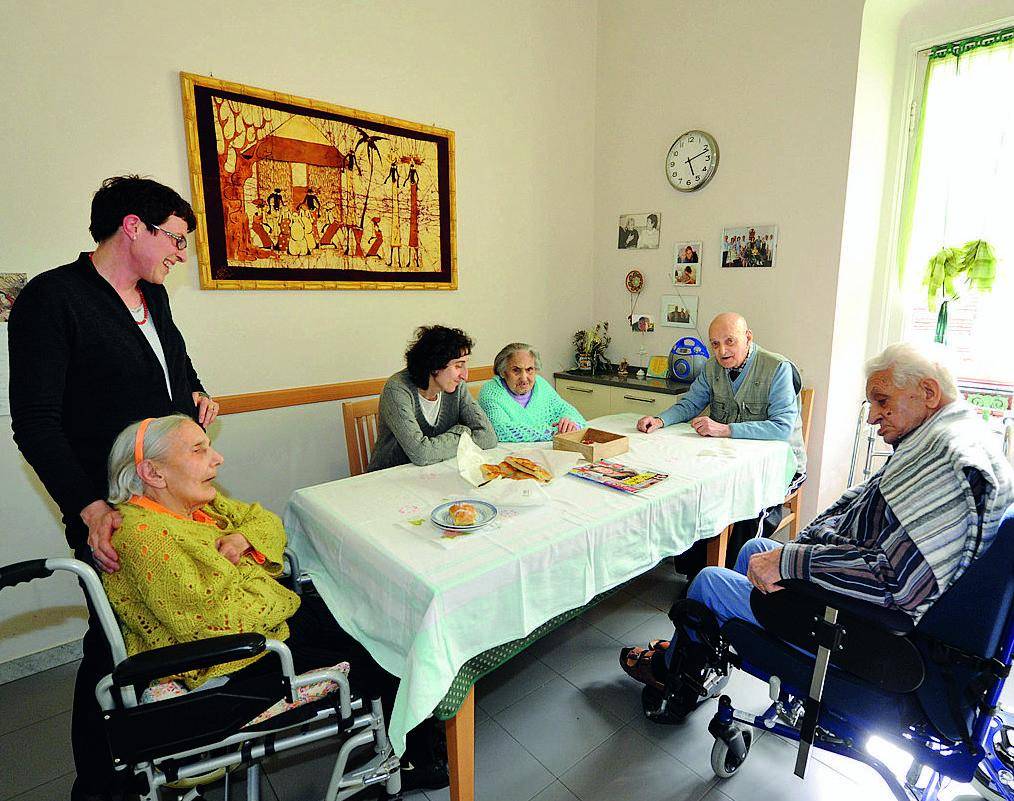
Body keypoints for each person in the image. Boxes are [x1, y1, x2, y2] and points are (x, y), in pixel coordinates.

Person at [620, 342, 1013, 722]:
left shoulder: (947, 464)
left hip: (866, 632)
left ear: (928, 392)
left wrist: (793, 559)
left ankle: (675, 680)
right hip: (862, 600)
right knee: (754, 549)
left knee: (708, 581)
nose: (873, 416)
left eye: (882, 400)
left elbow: (893, 583)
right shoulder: (949, 438)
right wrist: (800, 548)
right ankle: (699, 656)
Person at [7, 175, 219, 801]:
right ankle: (99, 783)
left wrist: (195, 395)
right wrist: (90, 505)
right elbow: (36, 423)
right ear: (134, 227)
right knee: (114, 638)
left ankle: (175, 754)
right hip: (111, 506)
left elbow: (174, 367)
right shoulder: (54, 299)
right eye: (175, 240)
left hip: (168, 494)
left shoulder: (156, 299)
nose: (180, 255)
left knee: (174, 621)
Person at [102, 416, 449, 791]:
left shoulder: (196, 506)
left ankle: (414, 741)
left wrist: (244, 542)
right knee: (386, 647)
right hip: (235, 658)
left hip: (264, 625)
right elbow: (212, 624)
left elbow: (266, 520)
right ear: (153, 472)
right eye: (199, 450)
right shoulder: (143, 538)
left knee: (372, 616)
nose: (217, 459)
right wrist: (268, 584)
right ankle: (414, 761)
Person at [636, 312, 806, 573]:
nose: (722, 351)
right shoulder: (711, 367)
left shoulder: (778, 369)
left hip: (781, 466)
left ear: (748, 338)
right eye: (715, 344)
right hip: (727, 460)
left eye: (730, 341)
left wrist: (727, 429)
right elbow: (691, 404)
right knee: (696, 487)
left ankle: (732, 577)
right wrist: (660, 420)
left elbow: (782, 428)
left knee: (749, 505)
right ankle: (696, 572)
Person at [368, 325, 497, 471]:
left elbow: (488, 437)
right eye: (458, 366)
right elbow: (422, 454)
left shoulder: (456, 387)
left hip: (435, 470)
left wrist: (435, 446)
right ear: (434, 365)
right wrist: (461, 433)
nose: (465, 376)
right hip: (389, 477)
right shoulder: (397, 389)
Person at [477, 342, 587, 442]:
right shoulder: (490, 392)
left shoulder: (540, 384)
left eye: (529, 370)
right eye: (516, 370)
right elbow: (500, 429)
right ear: (502, 372)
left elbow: (568, 411)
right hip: (509, 456)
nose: (524, 378)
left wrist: (570, 423)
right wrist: (553, 432)